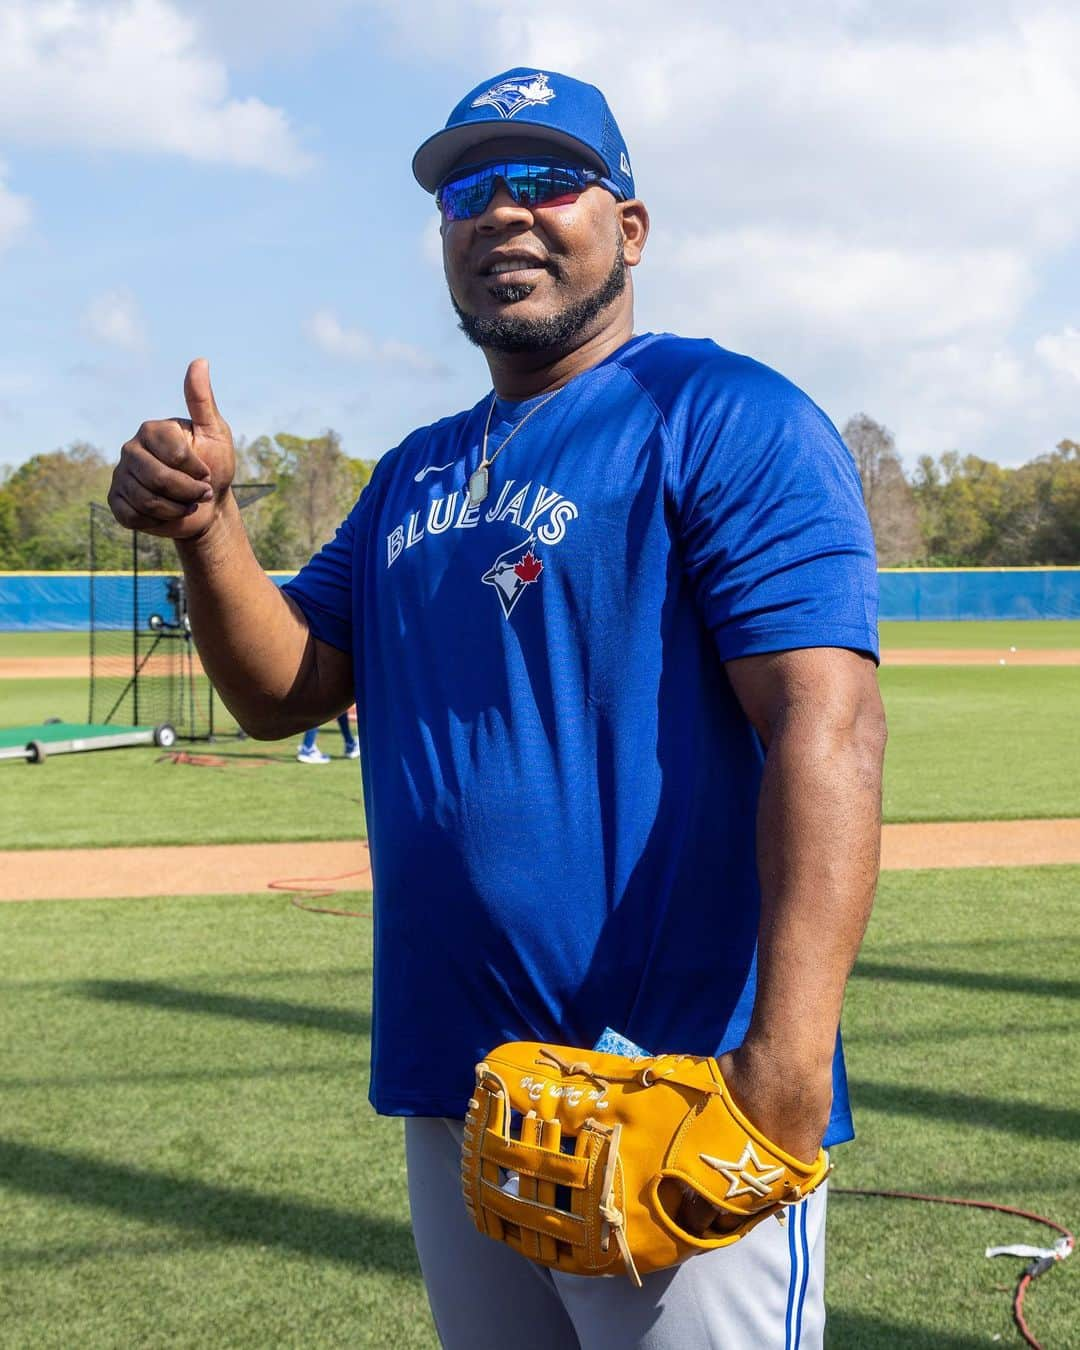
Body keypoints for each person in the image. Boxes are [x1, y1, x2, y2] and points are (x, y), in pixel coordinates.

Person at [108, 67, 886, 1349]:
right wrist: (206, 527)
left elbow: (829, 725)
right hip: (465, 1085)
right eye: (471, 191)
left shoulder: (723, 414)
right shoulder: (416, 467)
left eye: (548, 180)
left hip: (673, 1086)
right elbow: (283, 686)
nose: (505, 213)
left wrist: (785, 1074)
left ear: (628, 229)